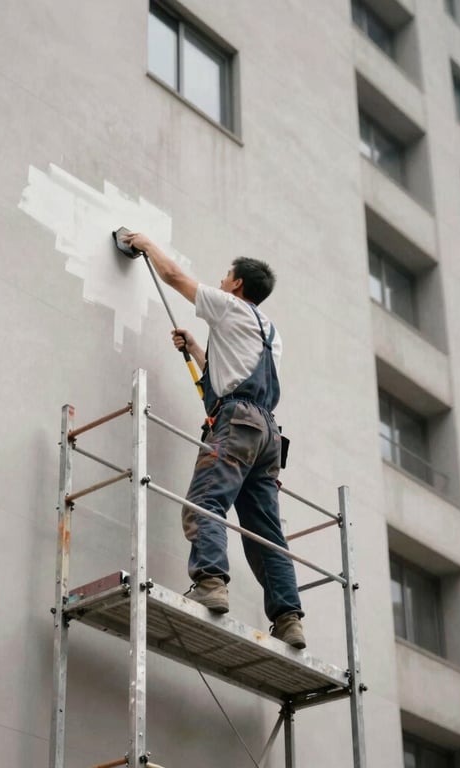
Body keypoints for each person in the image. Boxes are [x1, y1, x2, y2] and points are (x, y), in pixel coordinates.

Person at [121, 232, 305, 649]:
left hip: (237, 425)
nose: (221, 282)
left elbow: (172, 275)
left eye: (226, 276)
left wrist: (145, 243)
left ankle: (210, 582)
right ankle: (289, 617)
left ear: (238, 285)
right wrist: (199, 350)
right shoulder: (271, 332)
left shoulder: (227, 306)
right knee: (265, 533)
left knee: (206, 500)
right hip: (267, 435)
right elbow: (237, 375)